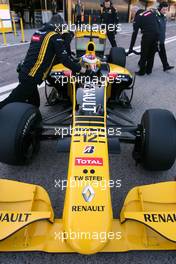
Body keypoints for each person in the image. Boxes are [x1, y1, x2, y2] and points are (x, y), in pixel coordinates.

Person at [0, 15, 83, 109]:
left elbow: (44, 53)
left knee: (34, 104)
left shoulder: (38, 32)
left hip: (25, 71)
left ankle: (29, 117)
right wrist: (81, 69)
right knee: (8, 102)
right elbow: (65, 60)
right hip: (31, 77)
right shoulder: (54, 36)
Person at [128, 9, 161, 76]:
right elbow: (158, 23)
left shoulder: (138, 17)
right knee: (151, 54)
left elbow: (134, 34)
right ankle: (149, 70)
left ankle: (142, 72)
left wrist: (131, 48)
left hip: (148, 35)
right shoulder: (151, 12)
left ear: (136, 13)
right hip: (157, 34)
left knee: (144, 53)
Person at [157, 2, 174, 71]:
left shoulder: (164, 17)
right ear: (160, 8)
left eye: (166, 9)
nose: (165, 11)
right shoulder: (155, 16)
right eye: (164, 9)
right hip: (155, 40)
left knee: (163, 53)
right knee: (149, 54)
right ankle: (141, 63)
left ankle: (166, 66)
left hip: (161, 40)